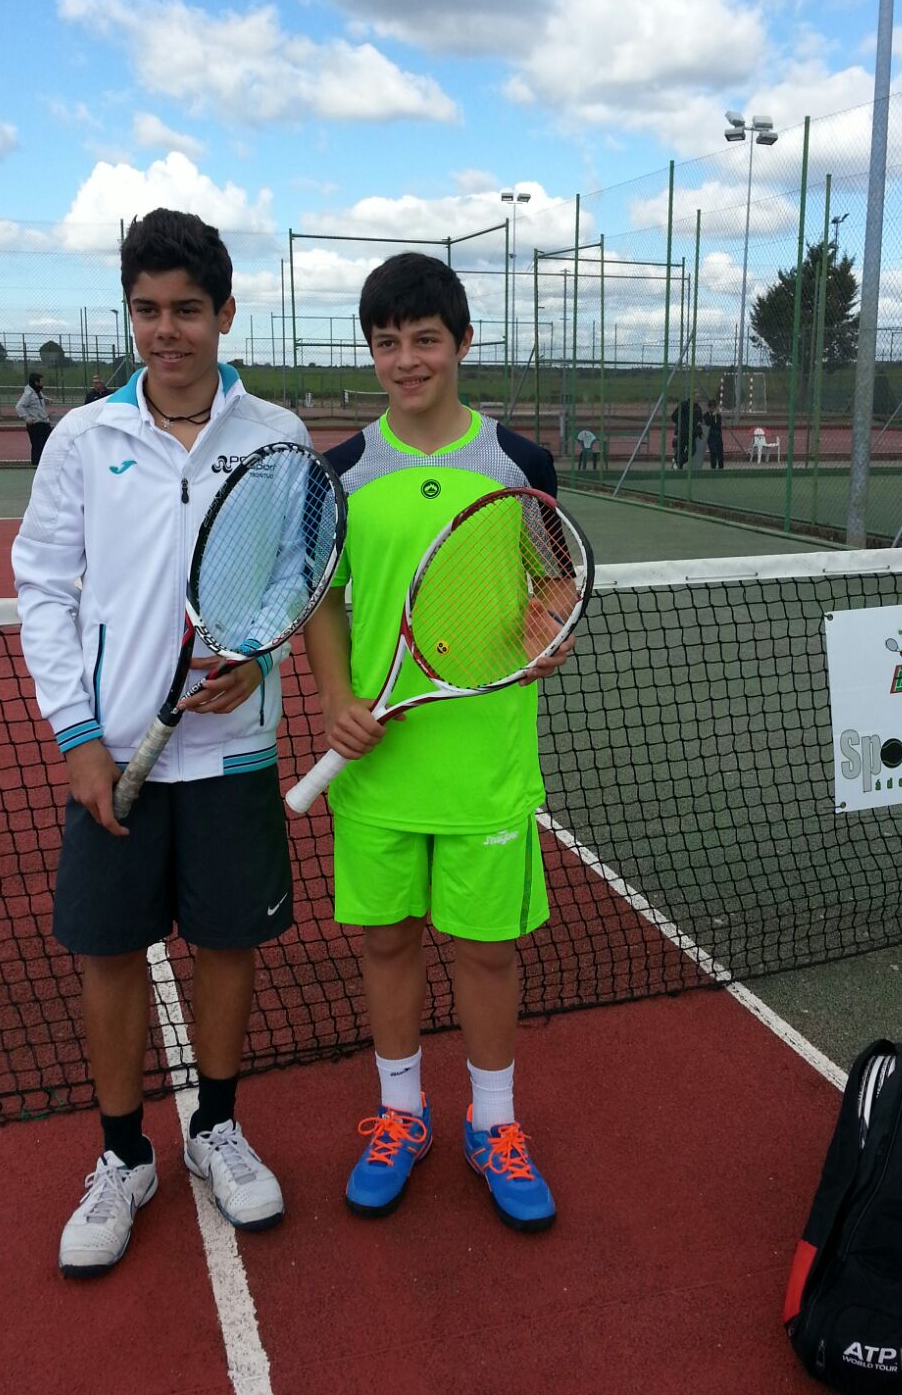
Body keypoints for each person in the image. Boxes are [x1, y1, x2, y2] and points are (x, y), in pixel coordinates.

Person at [12, 208, 306, 1279]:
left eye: (186, 309)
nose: (165, 330)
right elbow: (43, 584)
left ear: (225, 313)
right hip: (115, 752)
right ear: (129, 313)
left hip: (231, 754)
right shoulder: (84, 440)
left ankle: (216, 1128)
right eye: (147, 309)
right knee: (108, 952)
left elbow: (298, 569)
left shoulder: (276, 434)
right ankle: (124, 1155)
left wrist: (261, 654)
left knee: (227, 945)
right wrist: (77, 735)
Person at [303, 252, 575, 1233]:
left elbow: (558, 576)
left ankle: (493, 1125)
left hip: (484, 766)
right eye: (388, 343)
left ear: (462, 343)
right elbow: (322, 600)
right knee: (386, 942)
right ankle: (401, 1115)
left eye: (425, 339)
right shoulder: (339, 473)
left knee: (487, 953)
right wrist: (336, 697)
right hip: (376, 768)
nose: (406, 359)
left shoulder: (518, 464)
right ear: (371, 353)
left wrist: (550, 623)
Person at [15, 371, 52, 466]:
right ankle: (36, 465)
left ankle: (45, 464)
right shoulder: (28, 394)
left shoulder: (38, 392)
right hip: (36, 424)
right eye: (41, 381)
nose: (43, 383)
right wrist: (27, 418)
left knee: (48, 444)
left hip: (44, 422)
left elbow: (41, 399)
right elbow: (19, 406)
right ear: (36, 382)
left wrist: (47, 400)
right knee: (37, 446)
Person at [703, 399, 724, 470]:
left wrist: (714, 417)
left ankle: (721, 468)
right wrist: (712, 416)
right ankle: (713, 467)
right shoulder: (706, 415)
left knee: (720, 453)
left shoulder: (718, 416)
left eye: (714, 407)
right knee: (713, 452)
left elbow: (717, 425)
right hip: (710, 437)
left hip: (718, 436)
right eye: (711, 407)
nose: (713, 409)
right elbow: (708, 423)